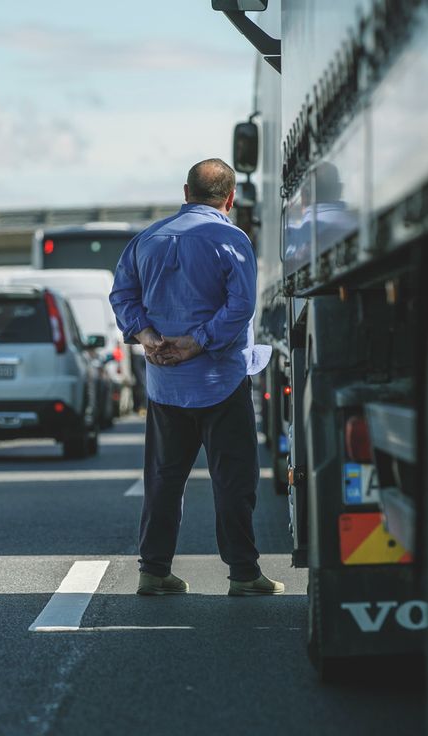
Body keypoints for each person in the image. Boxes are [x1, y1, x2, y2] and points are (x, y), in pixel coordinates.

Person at [109, 158, 284, 597]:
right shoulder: (231, 238)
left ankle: (154, 570)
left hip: (164, 384)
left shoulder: (146, 240)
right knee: (233, 481)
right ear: (230, 199)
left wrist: (148, 336)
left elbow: (122, 295)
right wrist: (197, 342)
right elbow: (241, 306)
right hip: (219, 380)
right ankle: (243, 575)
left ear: (185, 193)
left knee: (164, 480)